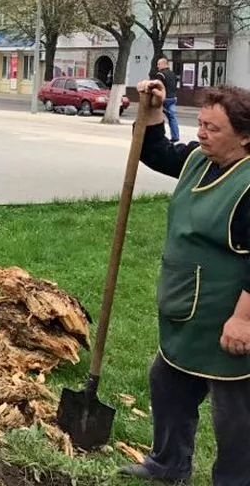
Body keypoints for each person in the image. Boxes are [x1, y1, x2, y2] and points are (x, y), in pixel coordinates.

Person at [119, 79, 250, 485]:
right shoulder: (199, 160)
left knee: (235, 413)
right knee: (168, 380)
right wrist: (154, 109)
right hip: (187, 306)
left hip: (227, 315)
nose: (201, 133)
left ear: (245, 138)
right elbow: (156, 152)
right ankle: (168, 464)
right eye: (202, 123)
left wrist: (244, 319)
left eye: (213, 128)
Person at [151, 57, 180, 143]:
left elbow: (157, 86)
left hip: (164, 99)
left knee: (157, 116)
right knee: (172, 118)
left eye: (159, 64)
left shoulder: (160, 74)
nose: (157, 66)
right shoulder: (173, 74)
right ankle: (175, 136)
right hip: (173, 98)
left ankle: (158, 136)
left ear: (165, 64)